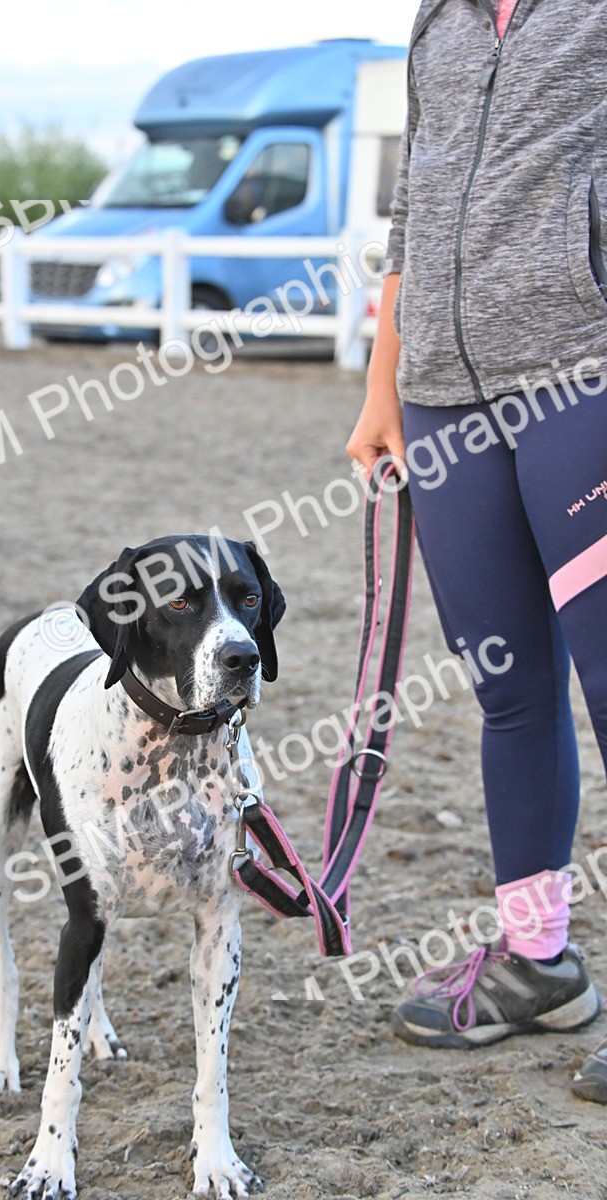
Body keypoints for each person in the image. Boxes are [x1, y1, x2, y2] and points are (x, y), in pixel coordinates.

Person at [346, 0, 607, 1100]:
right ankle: (534, 960)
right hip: (443, 398)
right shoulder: (437, 19)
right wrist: (380, 390)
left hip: (579, 378)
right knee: (506, 685)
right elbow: (413, 209)